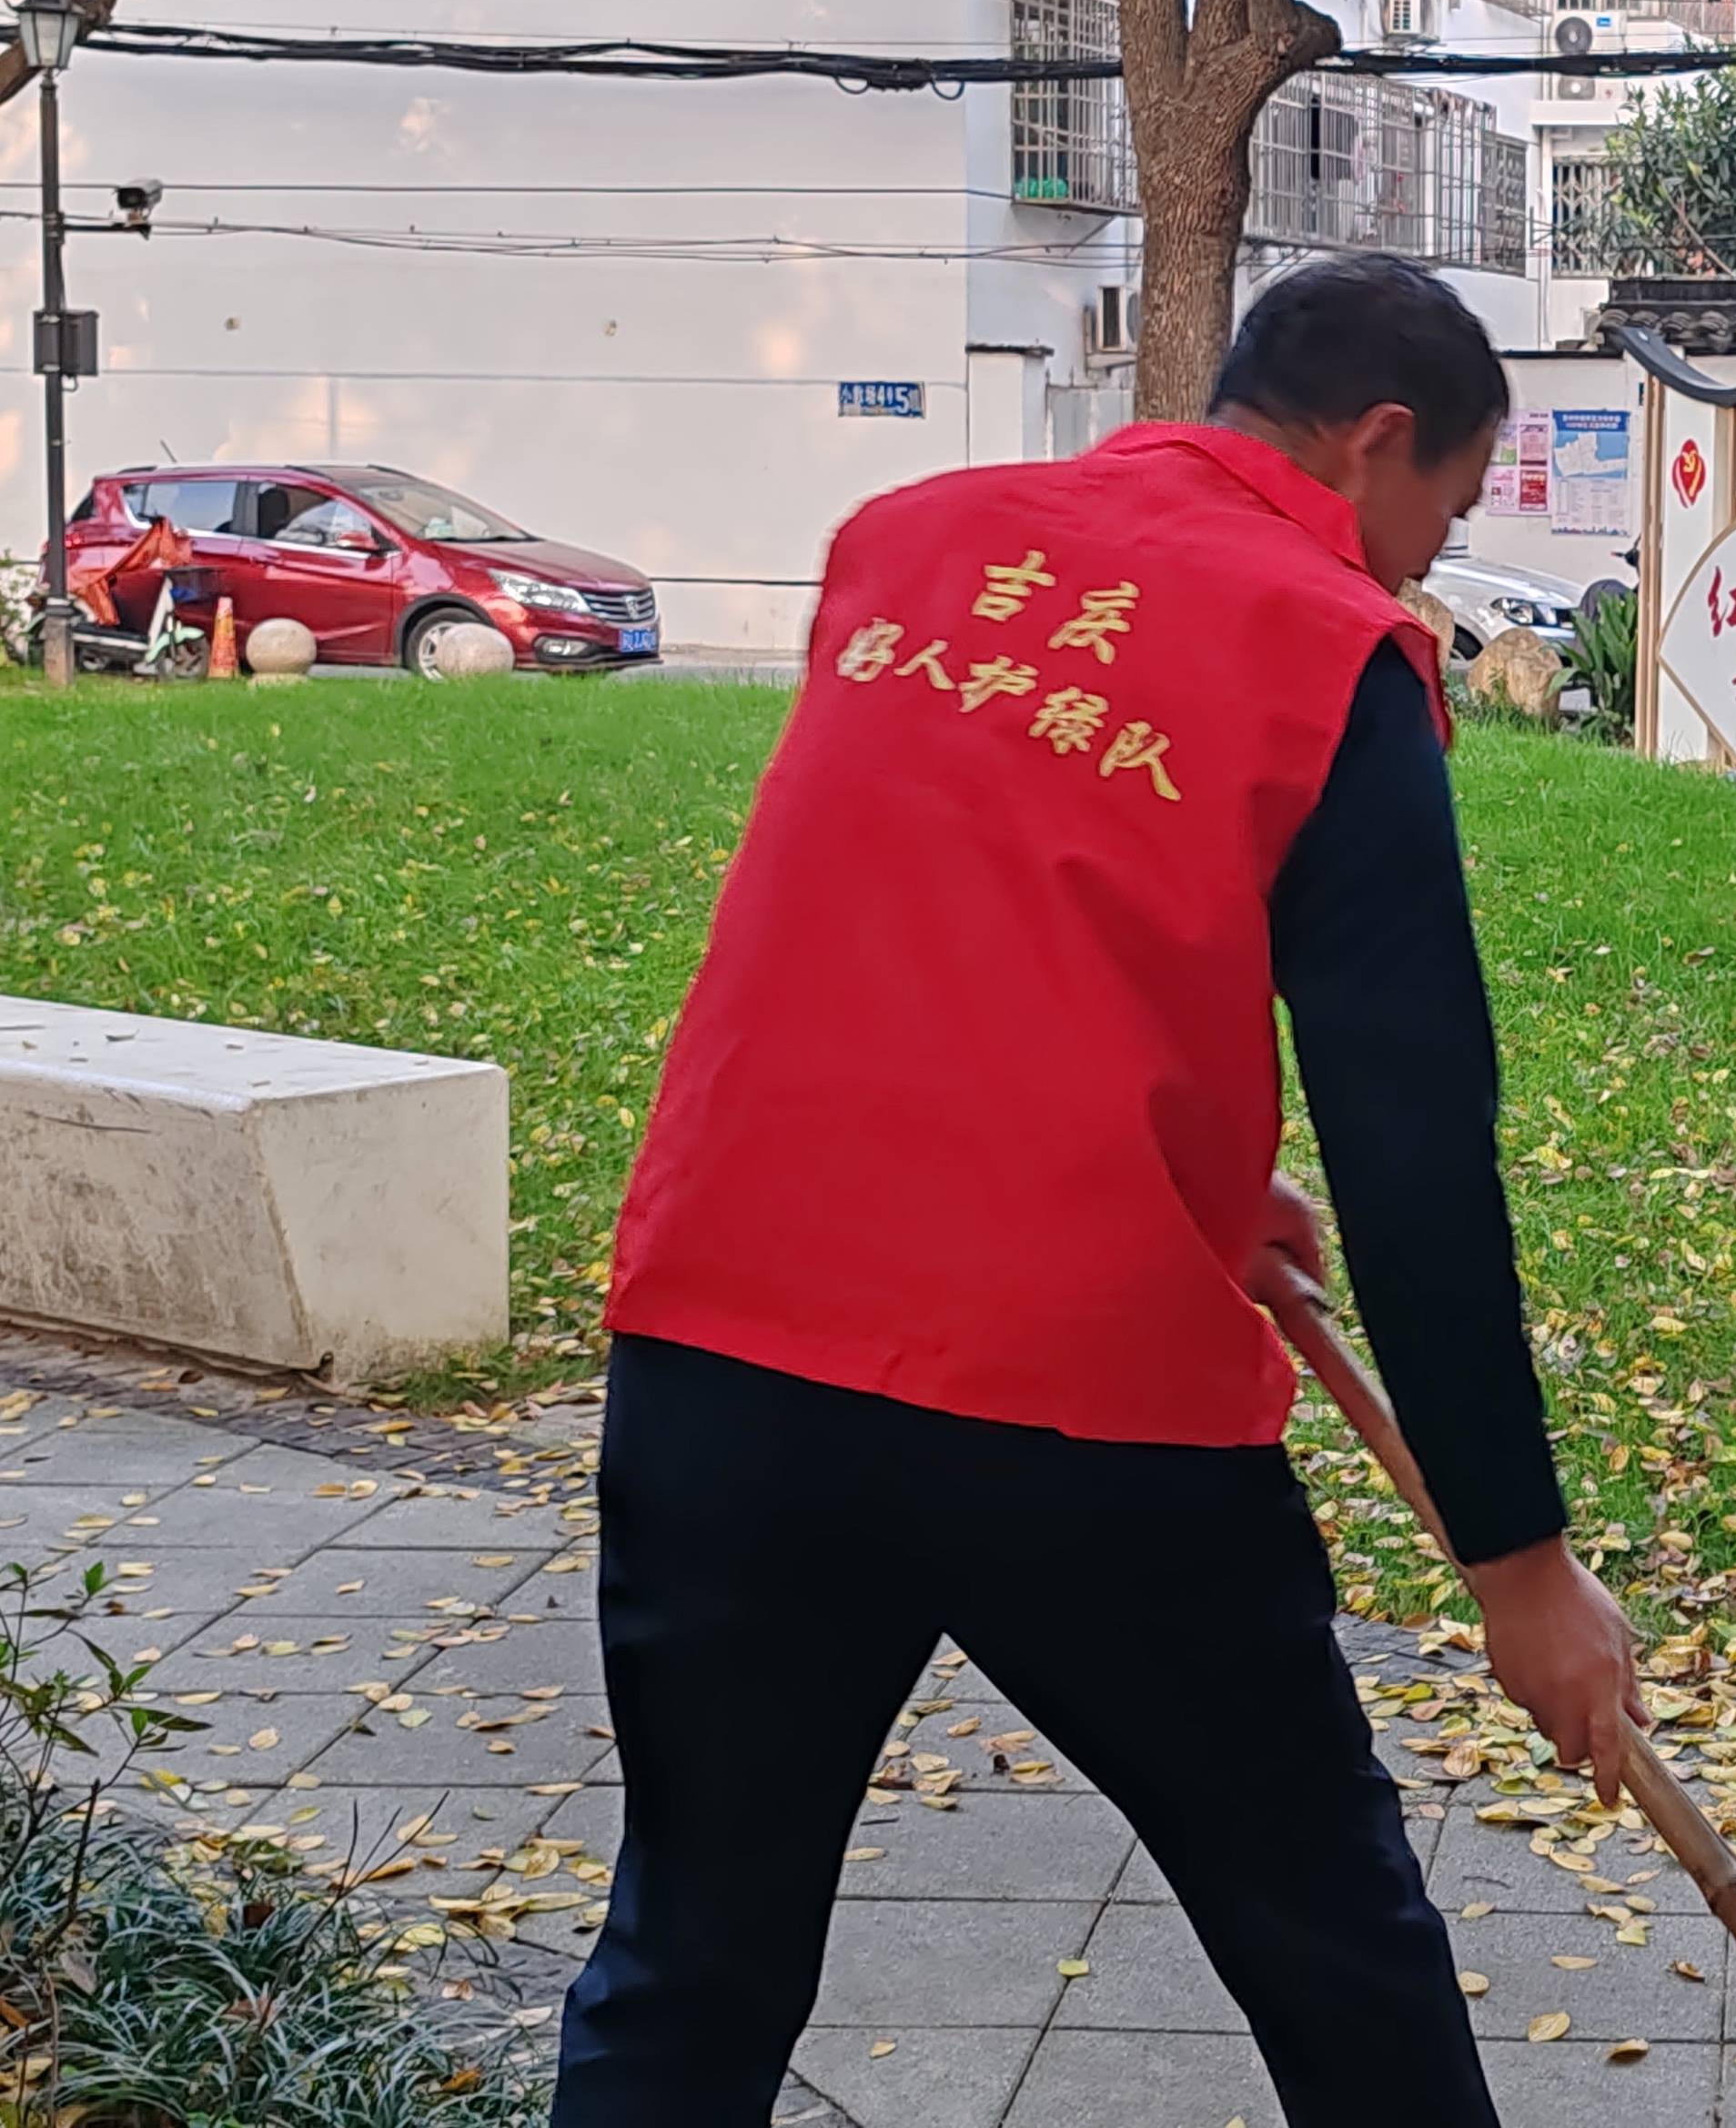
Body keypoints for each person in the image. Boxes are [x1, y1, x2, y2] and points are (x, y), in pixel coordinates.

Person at [557, 253, 1638, 2126]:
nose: (1418, 571)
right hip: (1075, 1413)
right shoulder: (1322, 643)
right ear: (1379, 440)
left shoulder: (911, 541)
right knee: (1334, 1944)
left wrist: (1207, 1185)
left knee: (692, 1961)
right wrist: (1520, 1568)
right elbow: (1412, 1150)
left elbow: (975, 901)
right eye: (1438, 518)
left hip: (723, 1354)